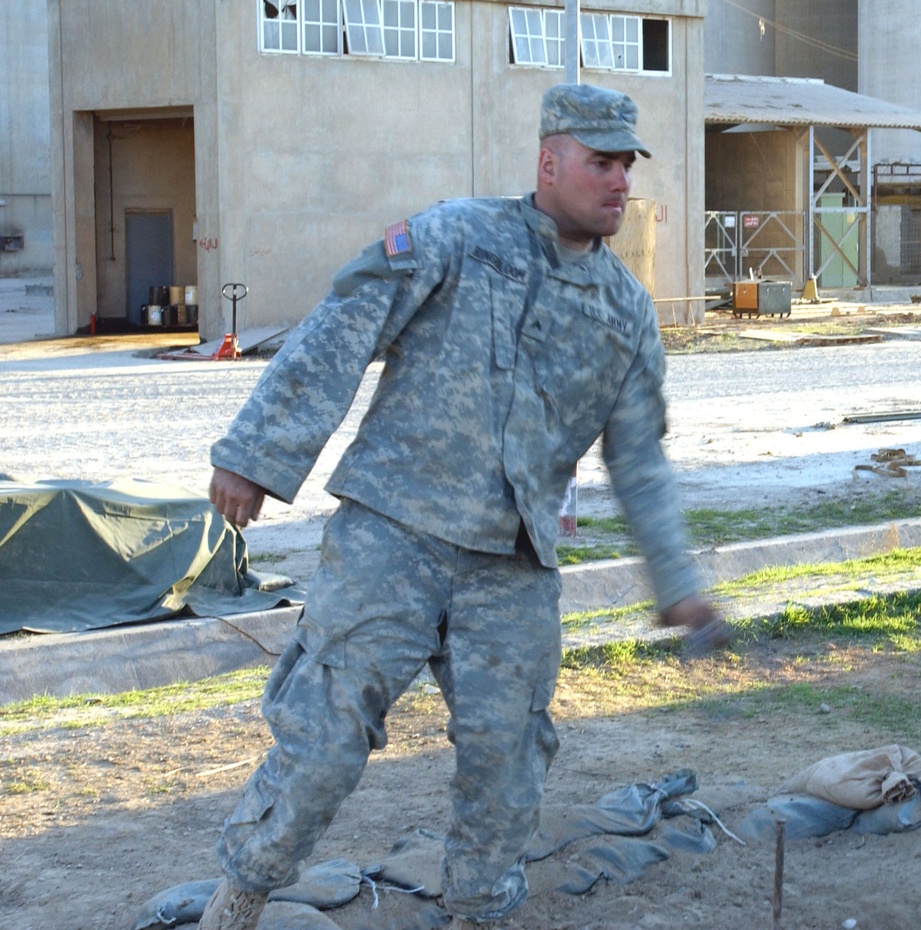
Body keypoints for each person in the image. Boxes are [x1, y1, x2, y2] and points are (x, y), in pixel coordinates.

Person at [198, 82, 731, 930]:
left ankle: (478, 914)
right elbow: (343, 326)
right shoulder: (455, 236)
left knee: (507, 759)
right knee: (325, 741)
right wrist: (256, 457)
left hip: (511, 566)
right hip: (392, 536)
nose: (619, 183)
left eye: (626, 165)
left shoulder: (625, 311)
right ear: (549, 162)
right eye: (601, 163)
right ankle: (239, 900)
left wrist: (676, 583)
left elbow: (641, 460)